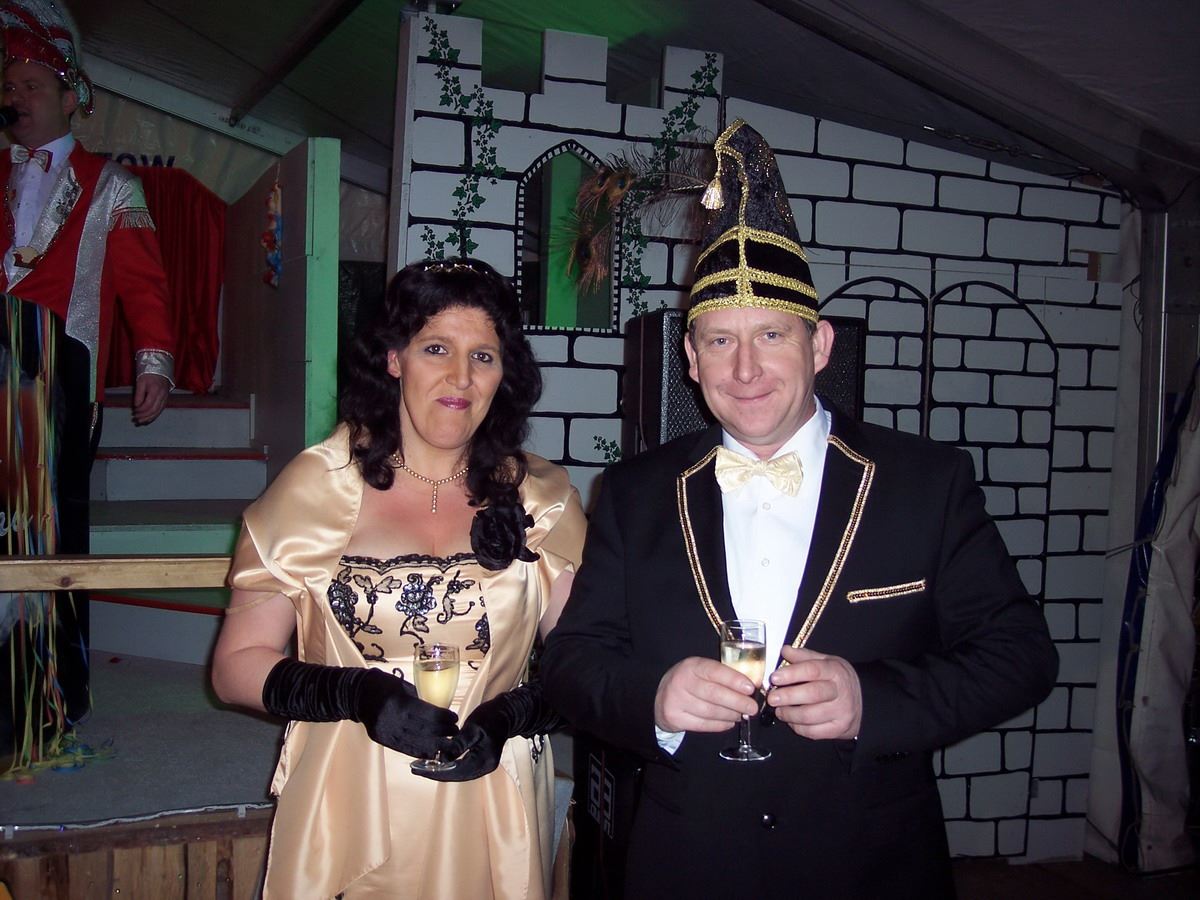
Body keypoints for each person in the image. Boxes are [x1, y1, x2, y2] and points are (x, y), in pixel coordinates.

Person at [541, 120, 1058, 899]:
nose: (745, 369)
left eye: (771, 336)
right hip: (687, 866)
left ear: (819, 346)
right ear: (690, 359)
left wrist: (873, 701)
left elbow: (1021, 657)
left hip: (870, 867)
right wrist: (654, 699)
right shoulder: (636, 493)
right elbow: (572, 663)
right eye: (720, 342)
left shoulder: (925, 482)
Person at [212, 258, 586, 900]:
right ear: (394, 358)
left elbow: (589, 663)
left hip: (493, 799)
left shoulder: (542, 500)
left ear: (504, 374)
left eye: (483, 357)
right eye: (436, 348)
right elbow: (234, 666)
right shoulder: (314, 489)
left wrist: (516, 712)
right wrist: (357, 694)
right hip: (346, 798)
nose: (460, 377)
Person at [0, 0, 175, 767]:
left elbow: (144, 284)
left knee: (50, 530)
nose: (18, 96)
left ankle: (52, 694)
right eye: (10, 85)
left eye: (33, 84)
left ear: (71, 98)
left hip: (57, 371)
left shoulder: (112, 185)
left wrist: (153, 361)